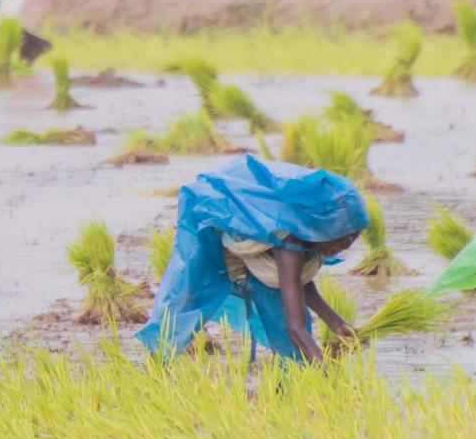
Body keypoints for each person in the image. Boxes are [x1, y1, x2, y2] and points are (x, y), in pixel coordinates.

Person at [139, 156, 366, 364]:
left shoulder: (309, 230)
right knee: (188, 298)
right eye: (340, 241)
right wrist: (324, 368)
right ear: (323, 230)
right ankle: (157, 363)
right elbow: (295, 327)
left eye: (351, 240)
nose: (341, 248)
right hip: (209, 226)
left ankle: (289, 380)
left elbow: (299, 282)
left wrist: (335, 322)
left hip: (255, 237)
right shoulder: (289, 241)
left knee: (288, 330)